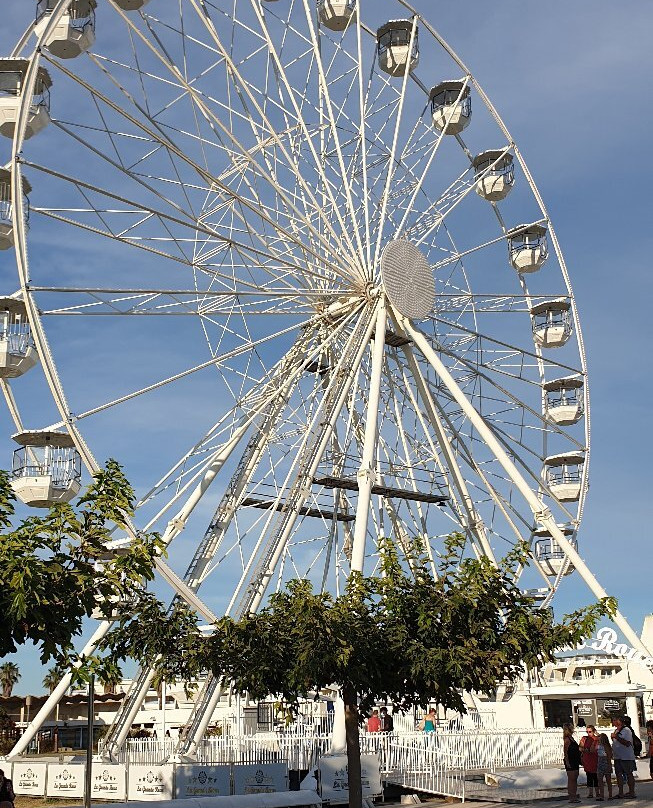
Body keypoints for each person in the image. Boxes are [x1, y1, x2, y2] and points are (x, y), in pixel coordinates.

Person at [611, 715, 636, 799]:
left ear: (620, 721)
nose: (613, 722)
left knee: (629, 773)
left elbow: (627, 743)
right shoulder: (616, 730)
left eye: (615, 720)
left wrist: (616, 737)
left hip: (626, 756)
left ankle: (632, 792)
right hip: (617, 756)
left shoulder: (626, 730)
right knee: (618, 774)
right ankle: (620, 792)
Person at [564, 723, 581, 804]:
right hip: (570, 760)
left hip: (575, 760)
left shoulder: (572, 738)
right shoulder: (567, 739)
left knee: (575, 779)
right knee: (571, 779)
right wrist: (567, 762)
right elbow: (565, 752)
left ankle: (574, 796)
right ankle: (571, 797)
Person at [580, 725, 599, 798]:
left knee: (595, 776)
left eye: (590, 732)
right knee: (589, 776)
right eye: (587, 732)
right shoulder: (584, 738)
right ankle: (590, 793)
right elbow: (580, 747)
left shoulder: (596, 739)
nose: (588, 733)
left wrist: (585, 750)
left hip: (595, 759)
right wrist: (585, 750)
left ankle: (597, 792)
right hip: (587, 759)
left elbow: (592, 750)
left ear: (593, 731)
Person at [596, 733, 613, 801]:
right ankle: (601, 795)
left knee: (608, 780)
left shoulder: (606, 746)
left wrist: (609, 765)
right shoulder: (599, 745)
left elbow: (609, 756)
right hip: (600, 762)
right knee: (600, 780)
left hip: (605, 762)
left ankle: (610, 795)